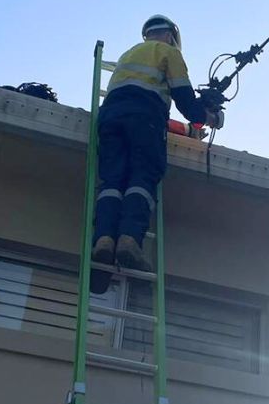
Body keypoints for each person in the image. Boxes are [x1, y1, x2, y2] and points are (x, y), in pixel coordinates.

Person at [92, 15, 221, 286]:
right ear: (171, 36)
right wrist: (207, 117)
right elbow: (184, 99)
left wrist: (187, 128)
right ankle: (129, 240)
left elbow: (133, 96)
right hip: (145, 119)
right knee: (142, 177)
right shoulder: (168, 53)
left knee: (113, 180)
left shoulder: (129, 55)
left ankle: (104, 239)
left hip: (110, 118)